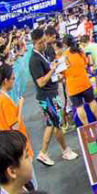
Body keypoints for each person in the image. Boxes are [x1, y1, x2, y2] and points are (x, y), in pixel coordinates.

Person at [28, 31, 78, 167]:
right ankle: (65, 150)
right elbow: (41, 82)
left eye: (44, 41)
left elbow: (48, 76)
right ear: (34, 43)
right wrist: (53, 69)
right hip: (47, 97)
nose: (44, 44)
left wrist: (56, 74)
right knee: (56, 124)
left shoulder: (42, 54)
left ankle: (43, 153)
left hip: (51, 94)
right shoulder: (34, 60)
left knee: (52, 124)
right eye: (41, 42)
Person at [0, 64, 31, 155]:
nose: (14, 81)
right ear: (6, 81)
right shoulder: (4, 100)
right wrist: (20, 106)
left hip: (10, 144)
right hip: (17, 145)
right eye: (13, 78)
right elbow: (15, 127)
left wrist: (18, 106)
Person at [63, 36, 97, 126]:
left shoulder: (64, 56)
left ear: (65, 44)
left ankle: (86, 126)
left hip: (73, 86)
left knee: (79, 107)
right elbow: (85, 64)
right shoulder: (80, 51)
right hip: (84, 82)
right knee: (92, 101)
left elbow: (62, 72)